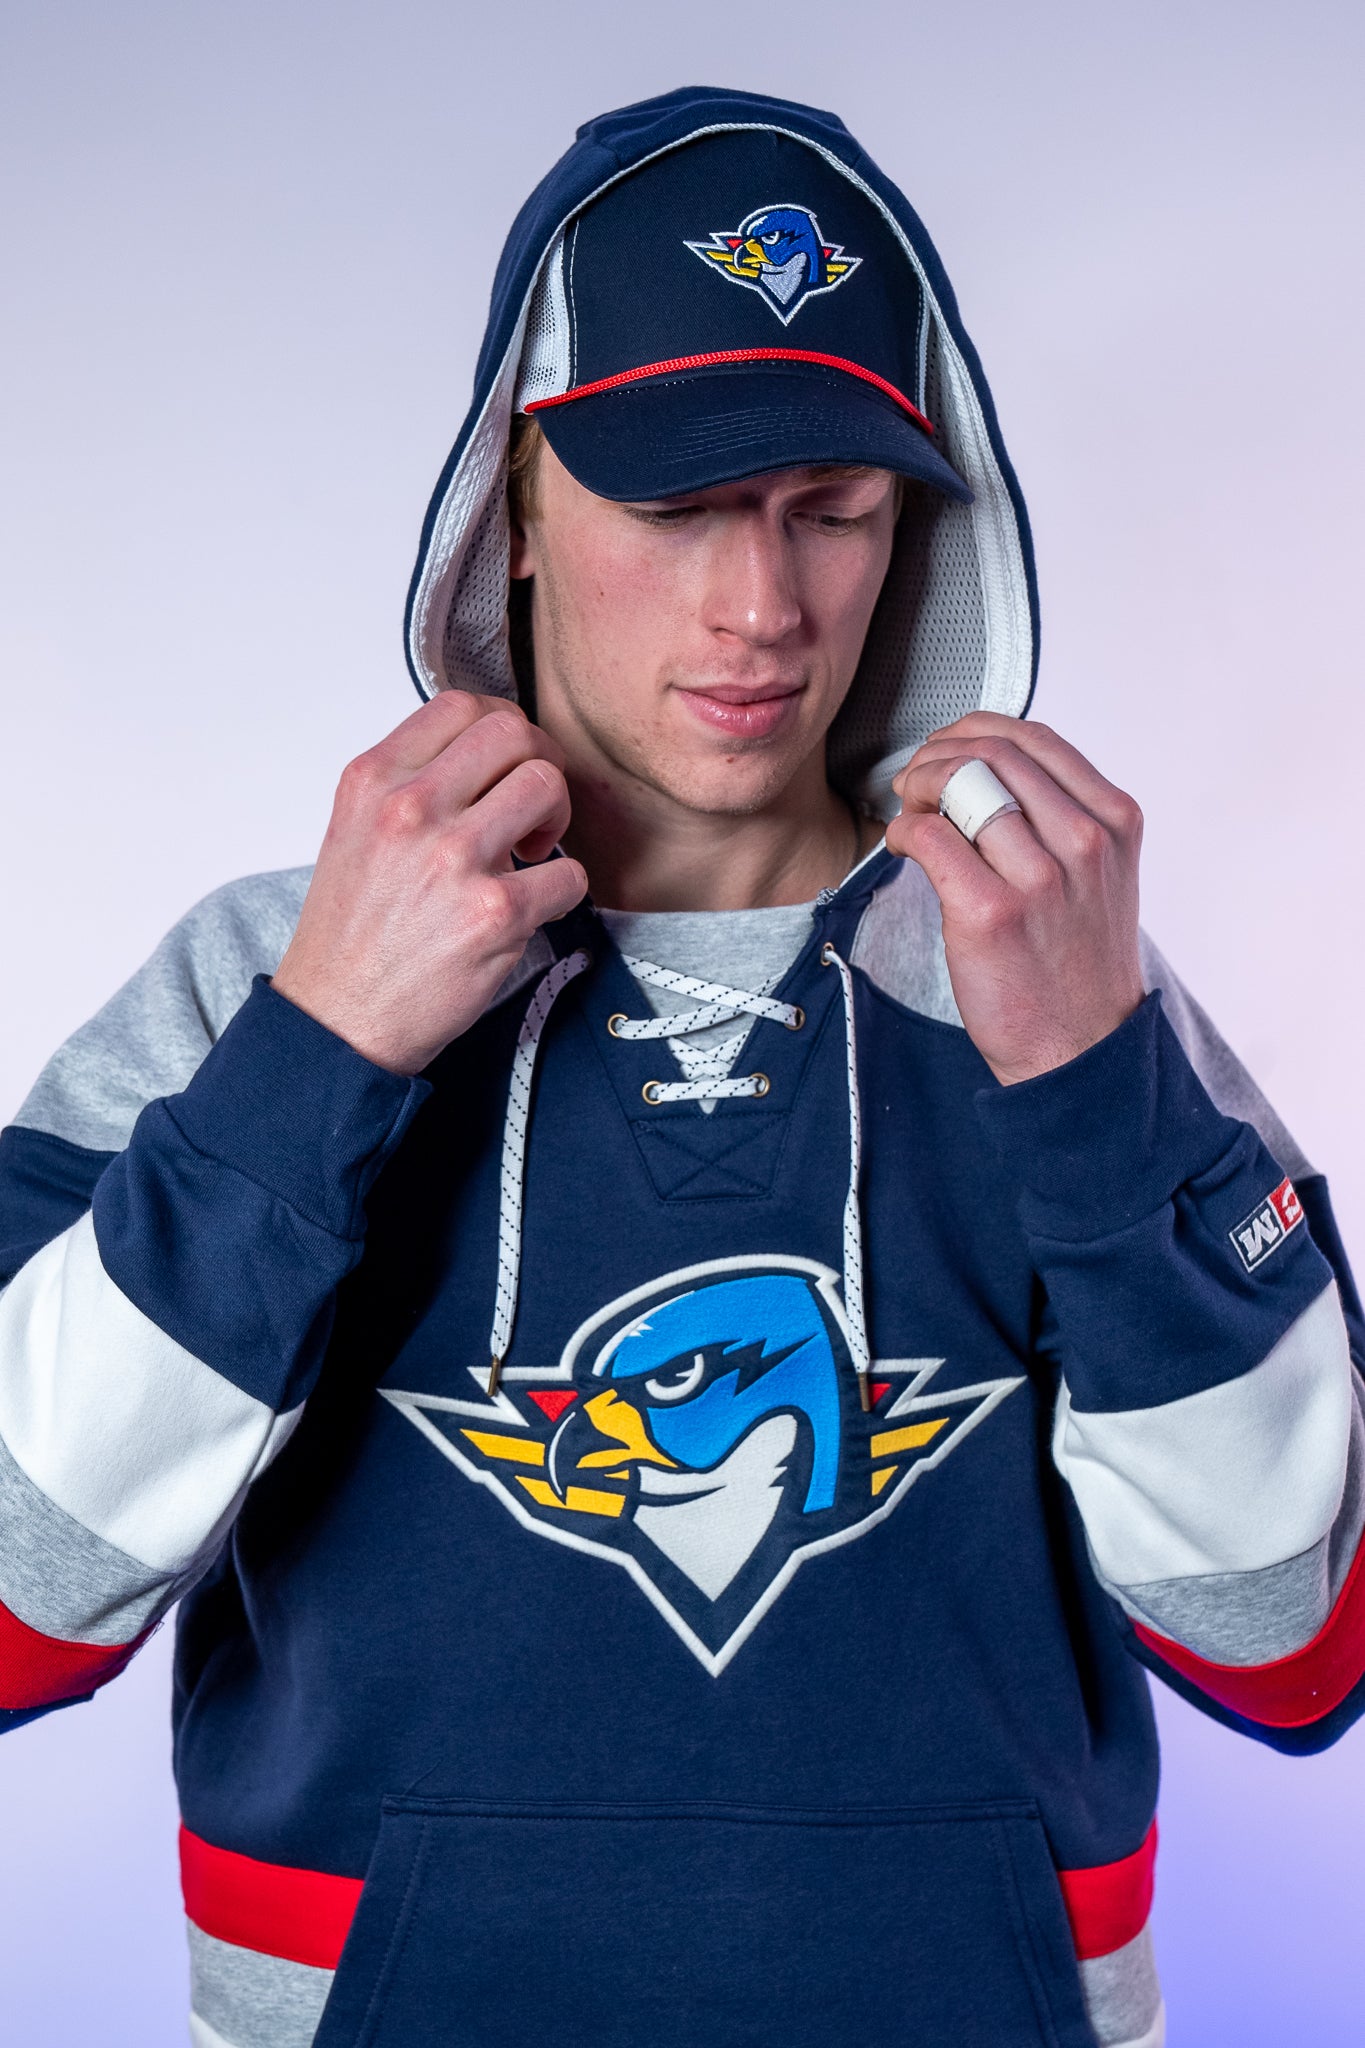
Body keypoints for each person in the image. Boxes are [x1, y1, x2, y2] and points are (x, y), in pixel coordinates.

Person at [1, 84, 1362, 2048]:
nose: (763, 609)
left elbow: (1291, 1651)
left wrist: (1090, 1093)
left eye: (832, 509)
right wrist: (321, 1055)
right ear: (515, 510)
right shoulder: (261, 982)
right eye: (676, 508)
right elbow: (19, 1606)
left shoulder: (1050, 983)